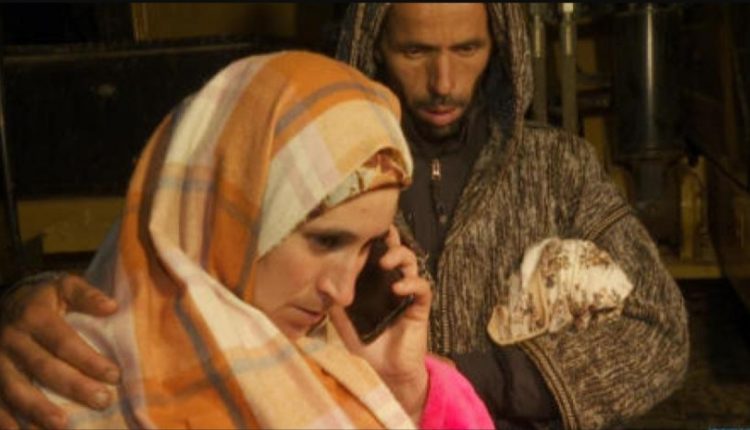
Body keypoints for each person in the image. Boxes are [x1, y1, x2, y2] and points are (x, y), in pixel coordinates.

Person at [0, 3, 690, 429]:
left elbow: (659, 335)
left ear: (502, 46)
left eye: (467, 49)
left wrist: (453, 380)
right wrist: (33, 302)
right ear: (371, 40)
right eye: (415, 51)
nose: (444, 82)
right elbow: (174, 261)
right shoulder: (295, 153)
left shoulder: (558, 167)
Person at [0, 50, 495, 429]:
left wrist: (403, 389)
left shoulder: (335, 363)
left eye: (367, 247)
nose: (343, 293)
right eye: (325, 242)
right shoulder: (66, 384)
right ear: (226, 213)